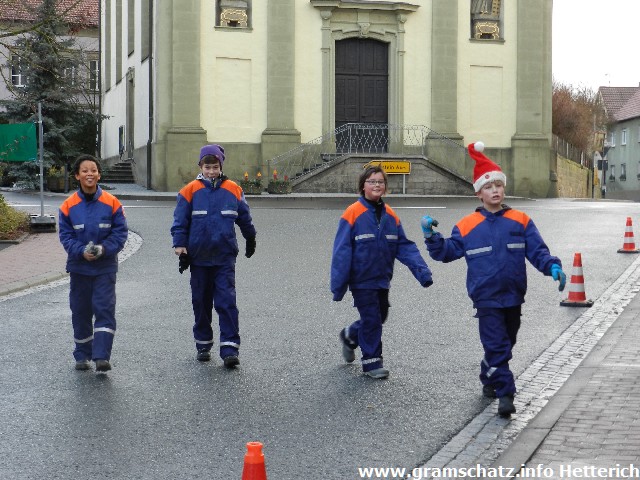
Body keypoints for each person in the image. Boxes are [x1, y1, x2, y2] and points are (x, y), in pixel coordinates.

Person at [420, 142, 566, 416]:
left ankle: (489, 374)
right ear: (479, 193)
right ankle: (506, 394)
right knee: (497, 346)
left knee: (506, 345)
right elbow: (447, 252)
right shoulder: (467, 226)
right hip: (485, 299)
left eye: (498, 185)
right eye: (488, 187)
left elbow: (538, 252)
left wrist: (552, 267)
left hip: (513, 296)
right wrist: (431, 236)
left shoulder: (521, 220)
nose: (495, 190)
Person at [332, 166, 433, 379]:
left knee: (380, 316)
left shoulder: (391, 216)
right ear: (363, 186)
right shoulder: (352, 213)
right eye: (372, 181)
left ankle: (350, 335)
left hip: (382, 279)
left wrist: (422, 272)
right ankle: (372, 363)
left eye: (380, 182)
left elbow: (404, 246)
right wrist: (338, 285)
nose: (377, 185)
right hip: (361, 280)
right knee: (372, 319)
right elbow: (341, 251)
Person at [171, 144, 257, 368]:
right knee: (201, 302)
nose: (211, 171)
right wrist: (180, 246)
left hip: (224, 257)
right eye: (207, 167)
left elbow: (244, 216)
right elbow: (180, 221)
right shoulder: (189, 191)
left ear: (221, 166)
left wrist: (250, 237)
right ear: (200, 166)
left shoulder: (233, 189)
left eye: (215, 167)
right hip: (199, 258)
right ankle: (203, 344)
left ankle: (229, 349)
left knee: (226, 302)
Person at [58, 154, 128, 373]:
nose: (90, 174)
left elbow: (120, 233)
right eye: (85, 171)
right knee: (80, 311)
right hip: (79, 268)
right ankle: (82, 355)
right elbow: (66, 237)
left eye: (94, 170)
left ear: (99, 175)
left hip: (104, 268)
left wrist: (103, 249)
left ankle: (101, 357)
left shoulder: (112, 203)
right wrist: (81, 252)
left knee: (104, 309)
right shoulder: (68, 206)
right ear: (77, 176)